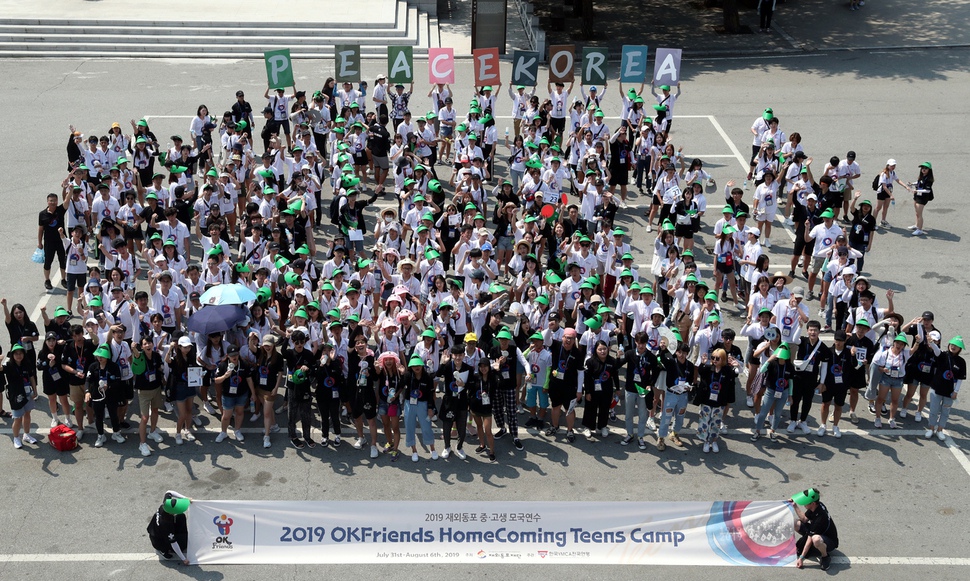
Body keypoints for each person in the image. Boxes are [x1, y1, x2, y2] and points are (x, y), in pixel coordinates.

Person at [926, 336, 965, 440]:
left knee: (945, 412)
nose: (953, 347)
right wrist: (931, 342)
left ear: (960, 349)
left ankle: (940, 430)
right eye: (952, 344)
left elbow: (960, 378)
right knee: (933, 411)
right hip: (936, 389)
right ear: (949, 345)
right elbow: (936, 350)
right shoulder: (942, 355)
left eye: (956, 346)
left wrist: (956, 391)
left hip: (949, 392)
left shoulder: (961, 362)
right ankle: (930, 428)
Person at [791, 488, 838, 571]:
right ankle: (814, 547)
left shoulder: (820, 518)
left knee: (815, 539)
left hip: (829, 540)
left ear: (812, 503)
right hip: (817, 531)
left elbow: (810, 538)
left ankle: (825, 557)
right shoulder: (815, 506)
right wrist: (794, 505)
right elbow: (805, 519)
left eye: (806, 502)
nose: (804, 504)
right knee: (795, 523)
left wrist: (801, 558)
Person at [147, 491, 191, 564]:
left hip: (159, 530)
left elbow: (169, 492)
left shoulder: (166, 504)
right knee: (183, 545)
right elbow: (173, 542)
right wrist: (184, 559)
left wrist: (185, 498)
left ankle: (182, 536)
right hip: (159, 540)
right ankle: (163, 551)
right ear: (171, 512)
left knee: (181, 516)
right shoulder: (166, 523)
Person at [903, 161, 934, 236]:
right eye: (922, 168)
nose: (923, 169)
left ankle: (919, 229)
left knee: (919, 214)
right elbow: (918, 182)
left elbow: (927, 190)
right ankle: (916, 225)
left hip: (922, 198)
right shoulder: (922, 176)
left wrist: (916, 190)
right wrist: (912, 184)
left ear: (929, 170)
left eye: (926, 168)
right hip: (917, 196)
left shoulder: (929, 179)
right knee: (917, 213)